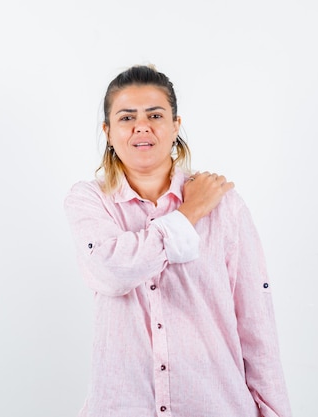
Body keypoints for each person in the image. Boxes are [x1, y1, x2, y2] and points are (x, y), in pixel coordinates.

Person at [64, 64, 292, 417]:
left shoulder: (225, 206)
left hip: (215, 404)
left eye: (155, 114)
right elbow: (110, 271)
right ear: (108, 132)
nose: (142, 126)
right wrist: (188, 215)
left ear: (175, 126)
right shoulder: (90, 201)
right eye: (127, 118)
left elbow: (256, 324)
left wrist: (273, 410)